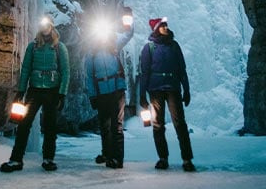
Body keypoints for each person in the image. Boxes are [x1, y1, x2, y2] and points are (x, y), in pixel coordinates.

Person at [0, 16, 70, 173]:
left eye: (47, 25)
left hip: (52, 91)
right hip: (34, 90)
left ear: (51, 26)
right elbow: (25, 69)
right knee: (24, 125)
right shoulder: (32, 47)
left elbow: (65, 72)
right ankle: (16, 159)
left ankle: (48, 158)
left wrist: (62, 94)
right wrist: (21, 91)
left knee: (50, 127)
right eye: (42, 25)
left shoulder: (60, 47)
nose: (44, 28)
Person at [139, 17, 196, 172]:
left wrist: (186, 89)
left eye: (166, 25)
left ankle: (187, 159)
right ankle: (162, 158)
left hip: (172, 88)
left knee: (180, 124)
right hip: (155, 89)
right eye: (163, 25)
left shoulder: (174, 46)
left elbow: (181, 69)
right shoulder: (149, 48)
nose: (166, 27)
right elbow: (144, 72)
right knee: (158, 125)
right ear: (157, 28)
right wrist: (142, 94)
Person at [84, 10, 134, 169]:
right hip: (101, 92)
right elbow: (89, 76)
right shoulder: (91, 53)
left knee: (116, 125)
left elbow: (128, 34)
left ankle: (117, 158)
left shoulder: (114, 43)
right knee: (104, 125)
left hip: (116, 90)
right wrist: (92, 96)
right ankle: (107, 153)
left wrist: (128, 20)